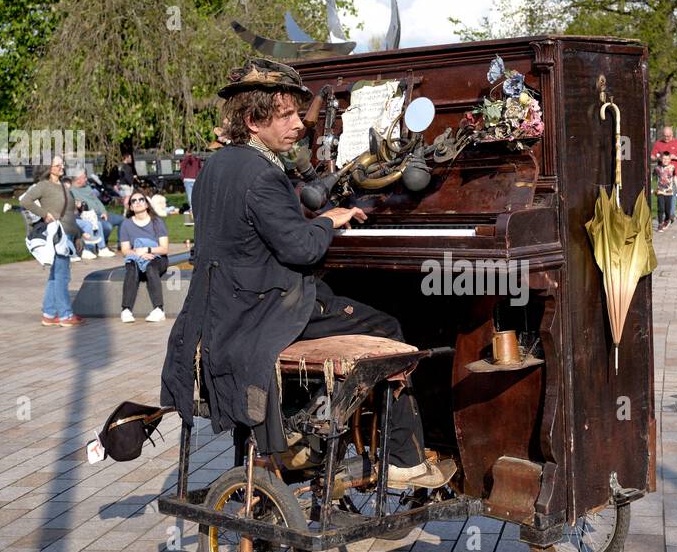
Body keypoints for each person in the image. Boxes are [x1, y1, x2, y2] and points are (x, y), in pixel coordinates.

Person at [160, 57, 452, 489]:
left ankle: (302, 435)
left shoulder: (214, 167)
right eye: (287, 116)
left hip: (224, 310)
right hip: (263, 312)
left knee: (339, 299)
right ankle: (401, 460)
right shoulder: (263, 176)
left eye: (298, 114)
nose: (300, 125)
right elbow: (301, 247)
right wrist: (328, 220)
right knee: (388, 326)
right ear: (252, 121)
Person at [19, 156, 83, 327]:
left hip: (68, 234)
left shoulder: (62, 186)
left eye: (62, 163)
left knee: (56, 275)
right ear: (49, 168)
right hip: (57, 236)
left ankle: (48, 314)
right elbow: (25, 200)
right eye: (58, 164)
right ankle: (65, 315)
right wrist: (44, 214)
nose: (62, 166)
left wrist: (77, 235)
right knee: (62, 275)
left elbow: (70, 215)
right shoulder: (44, 186)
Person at [119, 189, 171, 322]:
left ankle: (159, 309)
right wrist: (138, 254)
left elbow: (164, 249)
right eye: (133, 201)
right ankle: (126, 310)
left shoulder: (157, 222)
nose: (137, 202)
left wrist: (147, 250)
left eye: (141, 199)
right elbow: (125, 250)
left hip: (157, 258)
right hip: (136, 257)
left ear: (147, 204)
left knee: (151, 268)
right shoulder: (126, 224)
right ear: (130, 206)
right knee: (131, 268)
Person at [70, 171, 119, 256]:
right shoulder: (72, 191)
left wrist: (104, 211)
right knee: (107, 226)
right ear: (78, 180)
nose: (86, 179)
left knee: (122, 220)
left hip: (101, 214)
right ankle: (99, 246)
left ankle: (121, 245)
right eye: (84, 178)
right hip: (90, 216)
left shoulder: (88, 187)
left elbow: (97, 200)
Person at [650, 126, 677, 211]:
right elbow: (652, 156)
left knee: (672, 194)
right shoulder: (658, 143)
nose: (666, 138)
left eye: (668, 136)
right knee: (662, 196)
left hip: (674, 174)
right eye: (665, 136)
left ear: (672, 134)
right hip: (662, 175)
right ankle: (664, 215)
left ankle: (671, 215)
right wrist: (658, 158)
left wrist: (676, 157)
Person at [653, 150, 677, 232]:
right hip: (660, 190)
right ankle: (660, 224)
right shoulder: (657, 168)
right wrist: (653, 188)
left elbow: (674, 177)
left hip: (669, 191)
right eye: (664, 159)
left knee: (667, 210)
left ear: (670, 160)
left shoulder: (672, 167)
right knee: (660, 207)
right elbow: (653, 177)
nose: (665, 160)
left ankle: (667, 219)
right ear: (661, 159)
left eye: (667, 159)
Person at [179, 149, 204, 227]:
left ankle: (198, 216)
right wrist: (183, 178)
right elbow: (182, 167)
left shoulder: (197, 159)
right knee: (190, 198)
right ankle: (193, 217)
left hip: (195, 180)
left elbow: (200, 168)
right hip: (188, 180)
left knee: (197, 197)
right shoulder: (186, 159)